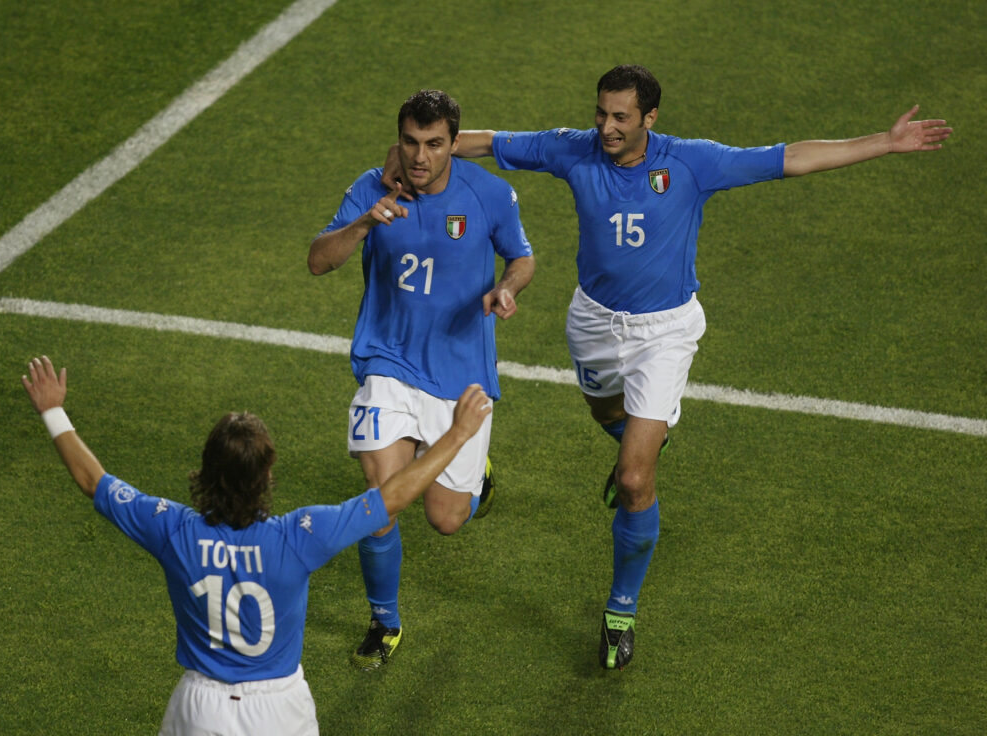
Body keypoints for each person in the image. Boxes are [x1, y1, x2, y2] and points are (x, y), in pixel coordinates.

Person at [383, 64, 952, 670]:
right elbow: (492, 142)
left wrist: (884, 144)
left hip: (665, 333)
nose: (605, 126)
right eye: (601, 113)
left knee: (633, 478)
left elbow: (788, 158)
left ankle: (621, 605)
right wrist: (408, 156)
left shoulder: (691, 163)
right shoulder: (573, 150)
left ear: (649, 118)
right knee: (611, 420)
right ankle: (627, 450)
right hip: (595, 325)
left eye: (620, 117)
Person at [22, 355, 492, 735]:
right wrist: (457, 435)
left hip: (199, 709)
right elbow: (392, 497)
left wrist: (52, 409)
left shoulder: (171, 529)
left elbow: (93, 480)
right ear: (266, 476)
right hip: (280, 712)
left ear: (205, 472)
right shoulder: (300, 535)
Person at [308, 89, 535, 670]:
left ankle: (475, 473)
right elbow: (317, 260)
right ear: (399, 139)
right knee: (378, 506)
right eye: (411, 142)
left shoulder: (488, 194)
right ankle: (385, 621)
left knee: (445, 520)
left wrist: (507, 288)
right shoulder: (373, 188)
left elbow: (522, 257)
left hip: (460, 377)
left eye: (434, 144)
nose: (420, 156)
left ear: (456, 144)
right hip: (388, 363)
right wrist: (364, 222)